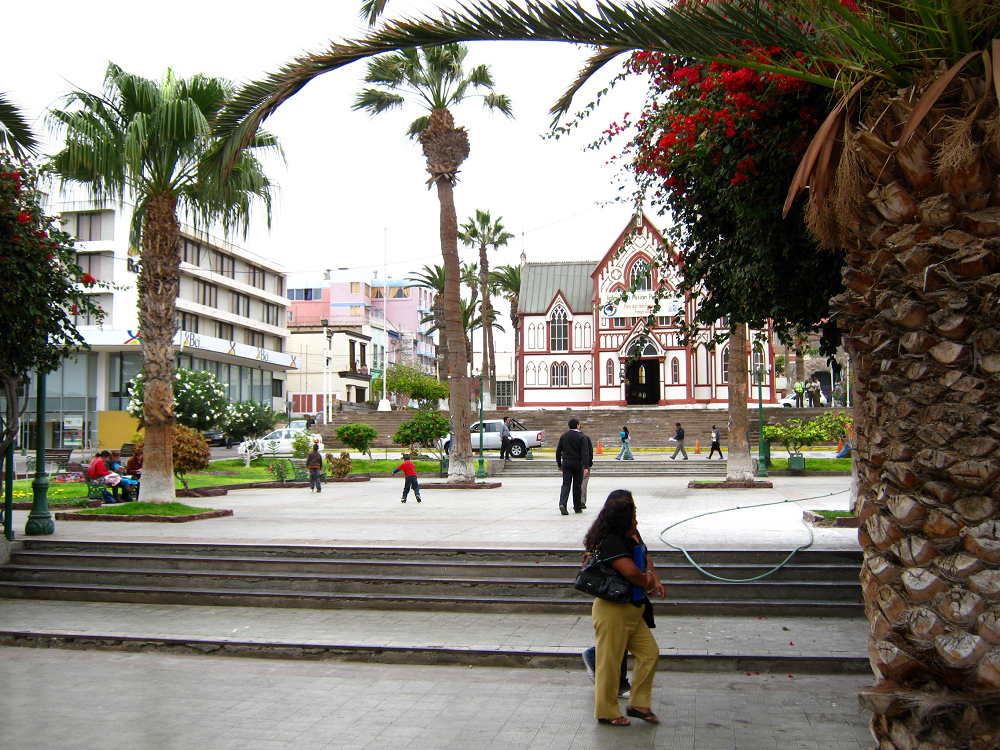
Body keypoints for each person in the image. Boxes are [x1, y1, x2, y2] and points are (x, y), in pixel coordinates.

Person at [583, 490, 665, 726]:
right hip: (613, 610)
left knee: (649, 653)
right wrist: (648, 581)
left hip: (632, 609)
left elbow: (644, 558)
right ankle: (606, 711)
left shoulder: (629, 536)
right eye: (633, 518)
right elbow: (630, 571)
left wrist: (653, 578)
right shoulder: (612, 541)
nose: (636, 522)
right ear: (622, 520)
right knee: (609, 664)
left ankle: (639, 704)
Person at [555, 418, 593, 515]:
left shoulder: (564, 436)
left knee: (566, 484)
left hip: (566, 462)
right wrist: (586, 466)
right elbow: (585, 453)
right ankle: (577, 507)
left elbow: (558, 451)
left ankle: (562, 503)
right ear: (577, 425)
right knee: (577, 485)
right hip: (577, 463)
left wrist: (559, 464)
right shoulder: (582, 437)